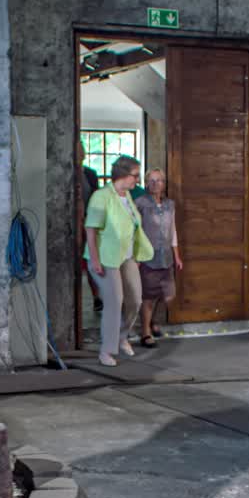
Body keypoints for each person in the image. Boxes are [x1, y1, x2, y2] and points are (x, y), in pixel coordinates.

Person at [84, 155, 153, 367]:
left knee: (135, 300)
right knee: (115, 302)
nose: (137, 180)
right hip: (105, 258)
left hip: (127, 256)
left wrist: (136, 253)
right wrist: (95, 259)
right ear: (122, 174)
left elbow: (132, 226)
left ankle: (122, 336)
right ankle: (106, 351)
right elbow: (91, 228)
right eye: (135, 175)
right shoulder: (101, 196)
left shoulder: (127, 196)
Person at [134, 168, 182, 347]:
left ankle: (153, 322)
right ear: (146, 183)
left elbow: (173, 230)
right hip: (148, 256)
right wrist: (135, 255)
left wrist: (177, 255)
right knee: (148, 296)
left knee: (166, 294)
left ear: (164, 183)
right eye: (152, 180)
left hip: (166, 256)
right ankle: (145, 332)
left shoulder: (170, 204)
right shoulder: (140, 203)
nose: (155, 184)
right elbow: (134, 231)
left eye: (159, 180)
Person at [76, 142, 103, 313]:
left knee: (92, 259)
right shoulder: (67, 173)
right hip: (73, 224)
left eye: (81, 149)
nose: (80, 153)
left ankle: (97, 296)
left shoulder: (90, 174)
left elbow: (96, 199)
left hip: (89, 223)